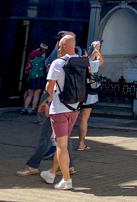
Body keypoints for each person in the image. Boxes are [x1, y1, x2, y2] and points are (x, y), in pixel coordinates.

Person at [40, 34, 82, 190]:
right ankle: (51, 173)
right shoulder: (82, 61)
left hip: (60, 108)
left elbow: (49, 88)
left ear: (63, 45)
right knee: (61, 143)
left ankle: (66, 180)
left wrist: (47, 102)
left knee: (61, 145)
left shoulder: (58, 63)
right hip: (75, 107)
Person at [16, 88, 76, 178]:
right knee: (65, 137)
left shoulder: (59, 73)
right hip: (73, 107)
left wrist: (46, 102)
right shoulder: (79, 73)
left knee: (45, 136)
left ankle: (33, 165)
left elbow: (52, 88)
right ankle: (69, 166)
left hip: (57, 107)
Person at [77, 42, 104, 151]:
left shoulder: (73, 63)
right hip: (88, 94)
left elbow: (89, 59)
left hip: (74, 93)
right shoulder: (89, 65)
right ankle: (81, 143)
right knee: (84, 119)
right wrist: (97, 49)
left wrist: (93, 52)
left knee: (70, 119)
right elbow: (100, 61)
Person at [22, 43, 49, 115]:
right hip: (40, 77)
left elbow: (29, 65)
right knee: (36, 94)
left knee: (30, 94)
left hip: (32, 76)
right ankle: (33, 109)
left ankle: (25, 108)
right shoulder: (45, 58)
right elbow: (46, 69)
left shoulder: (33, 54)